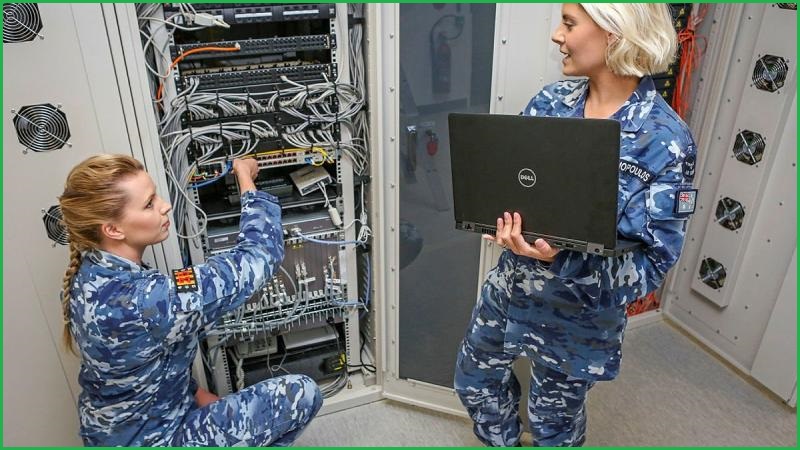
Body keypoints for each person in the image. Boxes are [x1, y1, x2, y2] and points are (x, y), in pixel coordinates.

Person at [454, 4, 697, 447]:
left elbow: (653, 265)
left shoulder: (665, 140)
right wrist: (502, 221)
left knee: (553, 424)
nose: (556, 35)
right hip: (510, 292)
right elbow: (516, 193)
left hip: (579, 318)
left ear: (613, 33)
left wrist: (563, 259)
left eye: (568, 23)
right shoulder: (549, 104)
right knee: (475, 385)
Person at [59, 154, 322, 446]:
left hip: (122, 431)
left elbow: (151, 362)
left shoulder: (91, 274)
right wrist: (245, 178)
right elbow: (256, 260)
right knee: (299, 393)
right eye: (149, 204)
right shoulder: (147, 300)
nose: (164, 206)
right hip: (157, 439)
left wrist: (194, 394)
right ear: (113, 229)